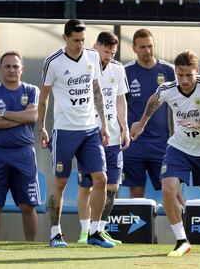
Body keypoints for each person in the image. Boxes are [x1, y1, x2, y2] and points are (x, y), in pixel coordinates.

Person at [130, 50, 200, 257]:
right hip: (179, 147)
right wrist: (141, 124)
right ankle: (181, 240)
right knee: (168, 188)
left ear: (197, 70)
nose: (184, 80)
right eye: (180, 75)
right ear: (175, 72)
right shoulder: (168, 88)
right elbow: (154, 101)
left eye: (189, 75)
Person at [38, 19, 114, 248]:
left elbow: (96, 90)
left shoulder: (91, 56)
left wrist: (104, 124)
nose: (80, 44)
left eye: (82, 40)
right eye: (75, 40)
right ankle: (55, 233)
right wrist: (41, 126)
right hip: (64, 130)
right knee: (60, 182)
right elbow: (44, 97)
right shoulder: (53, 62)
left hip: (90, 129)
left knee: (101, 179)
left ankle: (94, 232)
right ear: (65, 38)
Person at [77, 31, 130, 245]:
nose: (108, 55)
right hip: (90, 133)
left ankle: (99, 228)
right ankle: (84, 231)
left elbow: (120, 100)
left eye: (112, 52)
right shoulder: (84, 66)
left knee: (113, 186)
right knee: (87, 185)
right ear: (95, 47)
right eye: (105, 51)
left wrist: (125, 127)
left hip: (114, 135)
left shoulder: (118, 69)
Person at [0, 51, 40, 241]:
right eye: (7, 66)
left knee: (28, 206)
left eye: (15, 66)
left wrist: (5, 114)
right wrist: (20, 116)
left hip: (24, 154)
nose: (11, 70)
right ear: (0, 69)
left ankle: (30, 248)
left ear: (22, 68)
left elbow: (32, 116)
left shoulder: (32, 90)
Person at [123, 28, 176, 198]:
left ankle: (179, 225)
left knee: (171, 191)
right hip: (135, 143)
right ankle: (139, 225)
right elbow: (119, 105)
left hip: (162, 142)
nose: (147, 51)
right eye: (143, 47)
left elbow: (179, 104)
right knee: (136, 192)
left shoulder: (169, 71)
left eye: (150, 46)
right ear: (134, 48)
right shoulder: (125, 71)